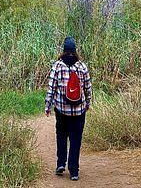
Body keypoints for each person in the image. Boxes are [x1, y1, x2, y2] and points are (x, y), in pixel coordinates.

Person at [45, 36, 92, 181]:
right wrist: (87, 103)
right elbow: (87, 88)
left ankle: (60, 164)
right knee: (76, 139)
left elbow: (51, 87)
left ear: (64, 50)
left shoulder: (57, 66)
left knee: (61, 135)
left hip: (61, 109)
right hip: (78, 111)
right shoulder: (82, 66)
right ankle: (74, 171)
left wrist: (48, 105)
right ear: (75, 50)